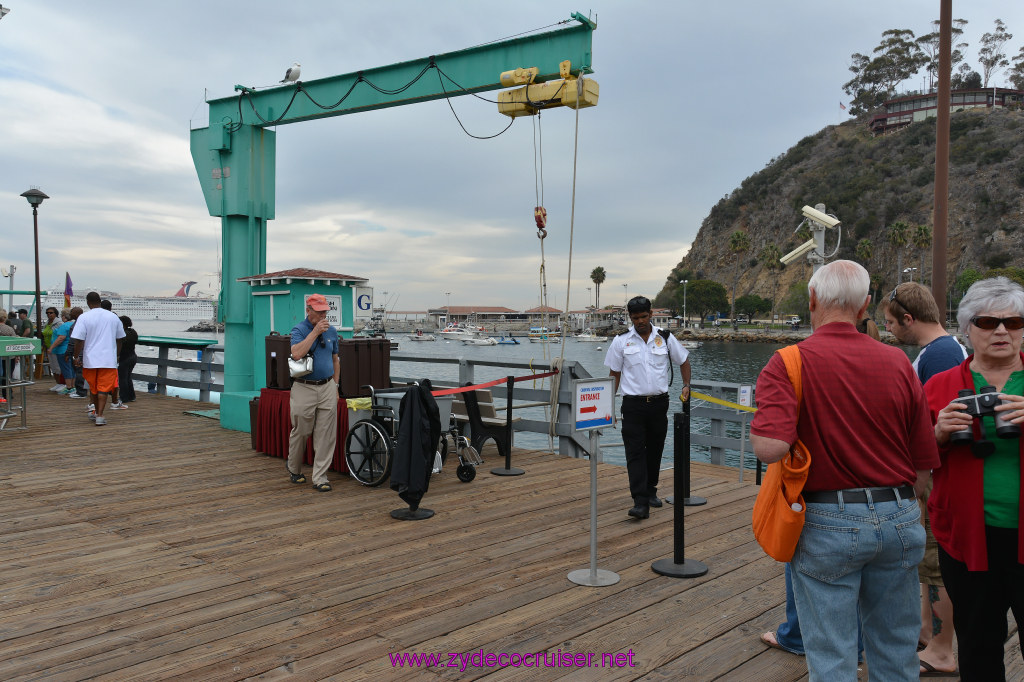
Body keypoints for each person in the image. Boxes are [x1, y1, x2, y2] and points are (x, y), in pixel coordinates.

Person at [751, 260, 938, 681]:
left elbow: (769, 448)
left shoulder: (788, 362)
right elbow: (923, 466)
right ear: (865, 306)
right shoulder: (898, 364)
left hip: (827, 521)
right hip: (900, 516)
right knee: (895, 649)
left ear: (812, 299)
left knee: (832, 656)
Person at [926, 276, 1024, 681]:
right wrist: (938, 434)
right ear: (966, 328)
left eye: (1015, 322)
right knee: (978, 644)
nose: (1002, 330)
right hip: (967, 539)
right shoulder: (940, 387)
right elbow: (911, 459)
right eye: (987, 322)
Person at [882, 281, 966, 676]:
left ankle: (943, 648)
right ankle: (927, 631)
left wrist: (920, 479)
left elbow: (945, 421)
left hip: (933, 478)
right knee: (927, 564)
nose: (889, 332)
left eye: (891, 324)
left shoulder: (943, 356)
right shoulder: (938, 353)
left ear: (908, 319)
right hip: (927, 474)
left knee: (938, 566)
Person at [604, 296, 691, 519]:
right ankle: (640, 502)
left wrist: (686, 385)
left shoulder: (665, 337)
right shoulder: (621, 341)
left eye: (644, 316)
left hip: (659, 404)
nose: (640, 321)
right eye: (635, 318)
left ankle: (651, 490)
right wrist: (608, 407)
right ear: (630, 318)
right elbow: (614, 375)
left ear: (650, 314)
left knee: (655, 450)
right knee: (634, 453)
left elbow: (683, 360)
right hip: (632, 406)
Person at [288, 293, 340, 492]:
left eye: (325, 311)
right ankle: (294, 468)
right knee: (301, 430)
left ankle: (320, 477)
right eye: (318, 312)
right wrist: (315, 332)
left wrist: (335, 385)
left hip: (327, 385)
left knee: (326, 434)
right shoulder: (299, 330)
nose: (322, 315)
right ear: (308, 311)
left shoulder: (332, 331)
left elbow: (336, 360)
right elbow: (297, 353)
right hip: (304, 386)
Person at [70, 292, 125, 425]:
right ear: (100, 301)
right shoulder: (113, 317)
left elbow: (78, 340)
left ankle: (95, 412)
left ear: (88, 302)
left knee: (93, 388)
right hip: (108, 360)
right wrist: (116, 355)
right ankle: (100, 416)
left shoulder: (84, 317)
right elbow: (120, 339)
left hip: (90, 359)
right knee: (104, 389)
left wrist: (76, 356)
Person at [49, 309, 76, 395]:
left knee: (65, 368)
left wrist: (51, 347)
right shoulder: (74, 324)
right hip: (72, 349)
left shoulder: (64, 326)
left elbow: (61, 338)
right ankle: (73, 386)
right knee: (72, 368)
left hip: (62, 350)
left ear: (64, 317)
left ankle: (68, 387)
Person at [115, 315, 138, 404]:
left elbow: (119, 342)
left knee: (122, 378)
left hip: (124, 357)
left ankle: (123, 397)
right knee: (128, 377)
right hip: (133, 356)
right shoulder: (133, 332)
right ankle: (131, 396)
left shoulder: (122, 333)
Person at [41, 307, 65, 390]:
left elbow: (61, 335)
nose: (49, 314)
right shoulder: (47, 323)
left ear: (55, 313)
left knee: (58, 367)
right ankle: (58, 383)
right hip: (48, 347)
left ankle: (62, 383)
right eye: (47, 313)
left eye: (51, 312)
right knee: (53, 366)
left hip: (56, 347)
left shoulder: (59, 323)